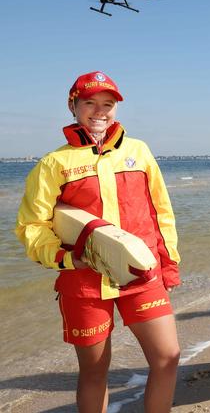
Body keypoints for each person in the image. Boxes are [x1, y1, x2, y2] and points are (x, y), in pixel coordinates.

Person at [15, 71, 181, 412]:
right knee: (94, 370)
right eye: (89, 103)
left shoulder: (139, 151)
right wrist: (66, 258)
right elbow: (32, 226)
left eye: (108, 104)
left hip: (141, 273)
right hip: (84, 282)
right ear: (73, 106)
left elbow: (161, 211)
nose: (99, 111)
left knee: (167, 357)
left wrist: (169, 263)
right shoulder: (54, 163)